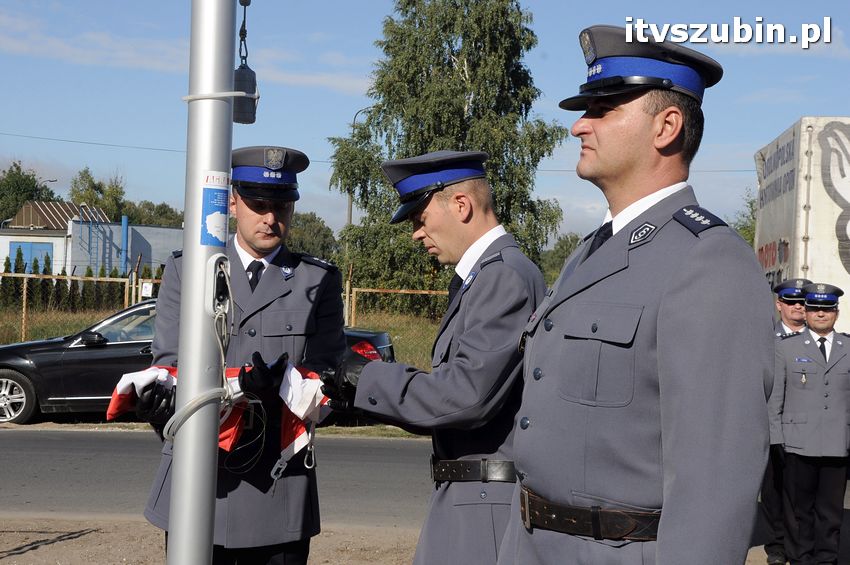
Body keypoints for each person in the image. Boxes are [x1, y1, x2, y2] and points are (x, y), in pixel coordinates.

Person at [496, 25, 775, 564]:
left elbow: (714, 485)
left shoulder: (708, 261)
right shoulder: (589, 252)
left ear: (667, 126)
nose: (579, 125)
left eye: (602, 109)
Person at [322, 150, 546, 564]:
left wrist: (366, 377)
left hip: (485, 507)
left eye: (420, 219)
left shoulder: (504, 277)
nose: (415, 234)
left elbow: (463, 396)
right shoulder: (482, 277)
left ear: (461, 205)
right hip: (469, 496)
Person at [141, 146, 346, 565]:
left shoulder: (316, 280)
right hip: (200, 483)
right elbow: (170, 363)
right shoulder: (189, 270)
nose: (271, 217)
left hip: (277, 487)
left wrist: (286, 388)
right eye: (258, 204)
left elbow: (326, 375)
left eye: (282, 205)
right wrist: (161, 406)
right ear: (233, 201)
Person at [771, 283, 849, 565]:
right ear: (807, 313)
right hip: (797, 442)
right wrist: (775, 438)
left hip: (838, 442)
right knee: (799, 511)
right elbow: (776, 399)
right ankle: (800, 558)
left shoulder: (848, 347)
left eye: (826, 309)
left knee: (830, 512)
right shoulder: (785, 349)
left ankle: (827, 559)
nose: (820, 314)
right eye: (815, 308)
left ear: (836, 314)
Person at [763, 277, 811, 565]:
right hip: (772, 427)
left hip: (808, 429)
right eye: (791, 301)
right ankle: (777, 546)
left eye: (802, 302)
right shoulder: (765, 341)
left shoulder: (823, 339)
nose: (798, 307)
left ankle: (803, 545)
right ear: (779, 304)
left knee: (805, 495)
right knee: (773, 492)